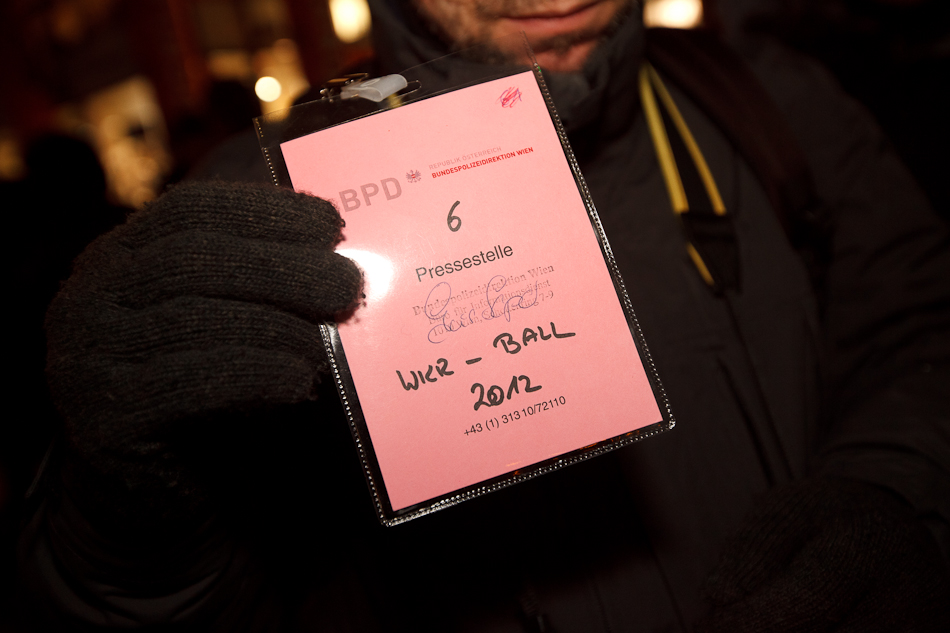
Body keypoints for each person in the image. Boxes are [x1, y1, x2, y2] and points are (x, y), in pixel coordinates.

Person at [15, 0, 950, 630]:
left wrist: (891, 492)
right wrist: (129, 516)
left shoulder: (770, 102)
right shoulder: (254, 207)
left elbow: (914, 331)